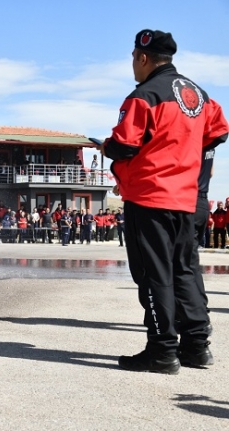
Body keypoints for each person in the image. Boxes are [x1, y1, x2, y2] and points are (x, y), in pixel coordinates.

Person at [102, 29, 228, 374]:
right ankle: (197, 347)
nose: (132, 65)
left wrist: (107, 147)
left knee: (154, 274)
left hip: (150, 196)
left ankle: (161, 351)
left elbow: (124, 144)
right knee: (184, 271)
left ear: (142, 58)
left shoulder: (144, 95)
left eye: (132, 59)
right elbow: (219, 131)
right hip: (186, 197)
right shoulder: (197, 95)